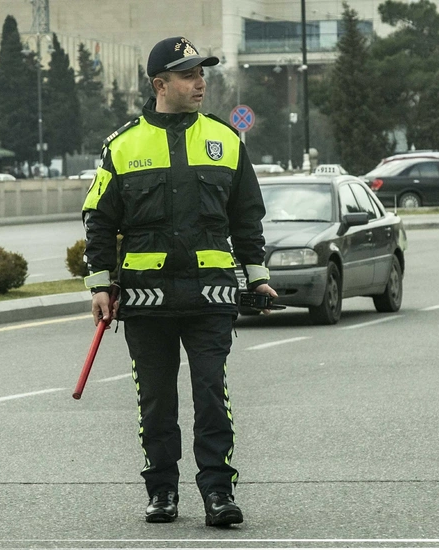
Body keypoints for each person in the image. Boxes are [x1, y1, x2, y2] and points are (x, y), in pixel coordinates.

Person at [81, 35, 276, 527]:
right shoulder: (123, 146)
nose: (200, 82)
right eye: (189, 74)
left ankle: (218, 494)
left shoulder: (226, 140)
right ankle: (162, 491)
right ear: (159, 84)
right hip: (147, 303)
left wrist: (258, 276)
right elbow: (99, 220)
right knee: (156, 402)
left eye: (202, 73)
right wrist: (101, 286)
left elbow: (246, 216)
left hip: (211, 295)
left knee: (212, 396)